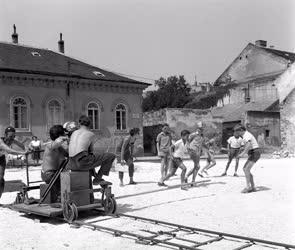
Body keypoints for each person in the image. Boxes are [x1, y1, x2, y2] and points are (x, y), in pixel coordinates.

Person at [67, 115, 116, 185]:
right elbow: (90, 151)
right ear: (90, 124)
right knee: (110, 156)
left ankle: (95, 176)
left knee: (88, 157)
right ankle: (98, 179)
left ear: (79, 123)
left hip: (71, 163)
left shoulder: (74, 133)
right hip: (81, 162)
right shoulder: (91, 134)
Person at [41, 125, 68, 202]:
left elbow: (67, 154)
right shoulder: (50, 145)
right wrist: (65, 138)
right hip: (48, 174)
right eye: (63, 134)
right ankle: (59, 200)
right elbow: (56, 143)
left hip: (55, 173)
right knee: (64, 184)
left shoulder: (59, 146)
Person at [0, 126, 26, 199]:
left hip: (1, 159)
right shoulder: (1, 142)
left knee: (1, 179)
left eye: (14, 136)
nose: (12, 138)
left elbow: (22, 145)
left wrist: (27, 150)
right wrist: (23, 153)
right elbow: (9, 150)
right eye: (11, 136)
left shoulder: (12, 140)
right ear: (5, 135)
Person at [234, 124, 261, 193]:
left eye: (237, 131)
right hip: (254, 152)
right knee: (246, 169)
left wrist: (242, 154)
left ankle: (248, 187)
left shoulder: (246, 135)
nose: (237, 133)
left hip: (255, 152)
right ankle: (252, 187)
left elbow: (248, 145)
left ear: (241, 130)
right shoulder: (245, 135)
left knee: (246, 169)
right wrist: (242, 150)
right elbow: (248, 145)